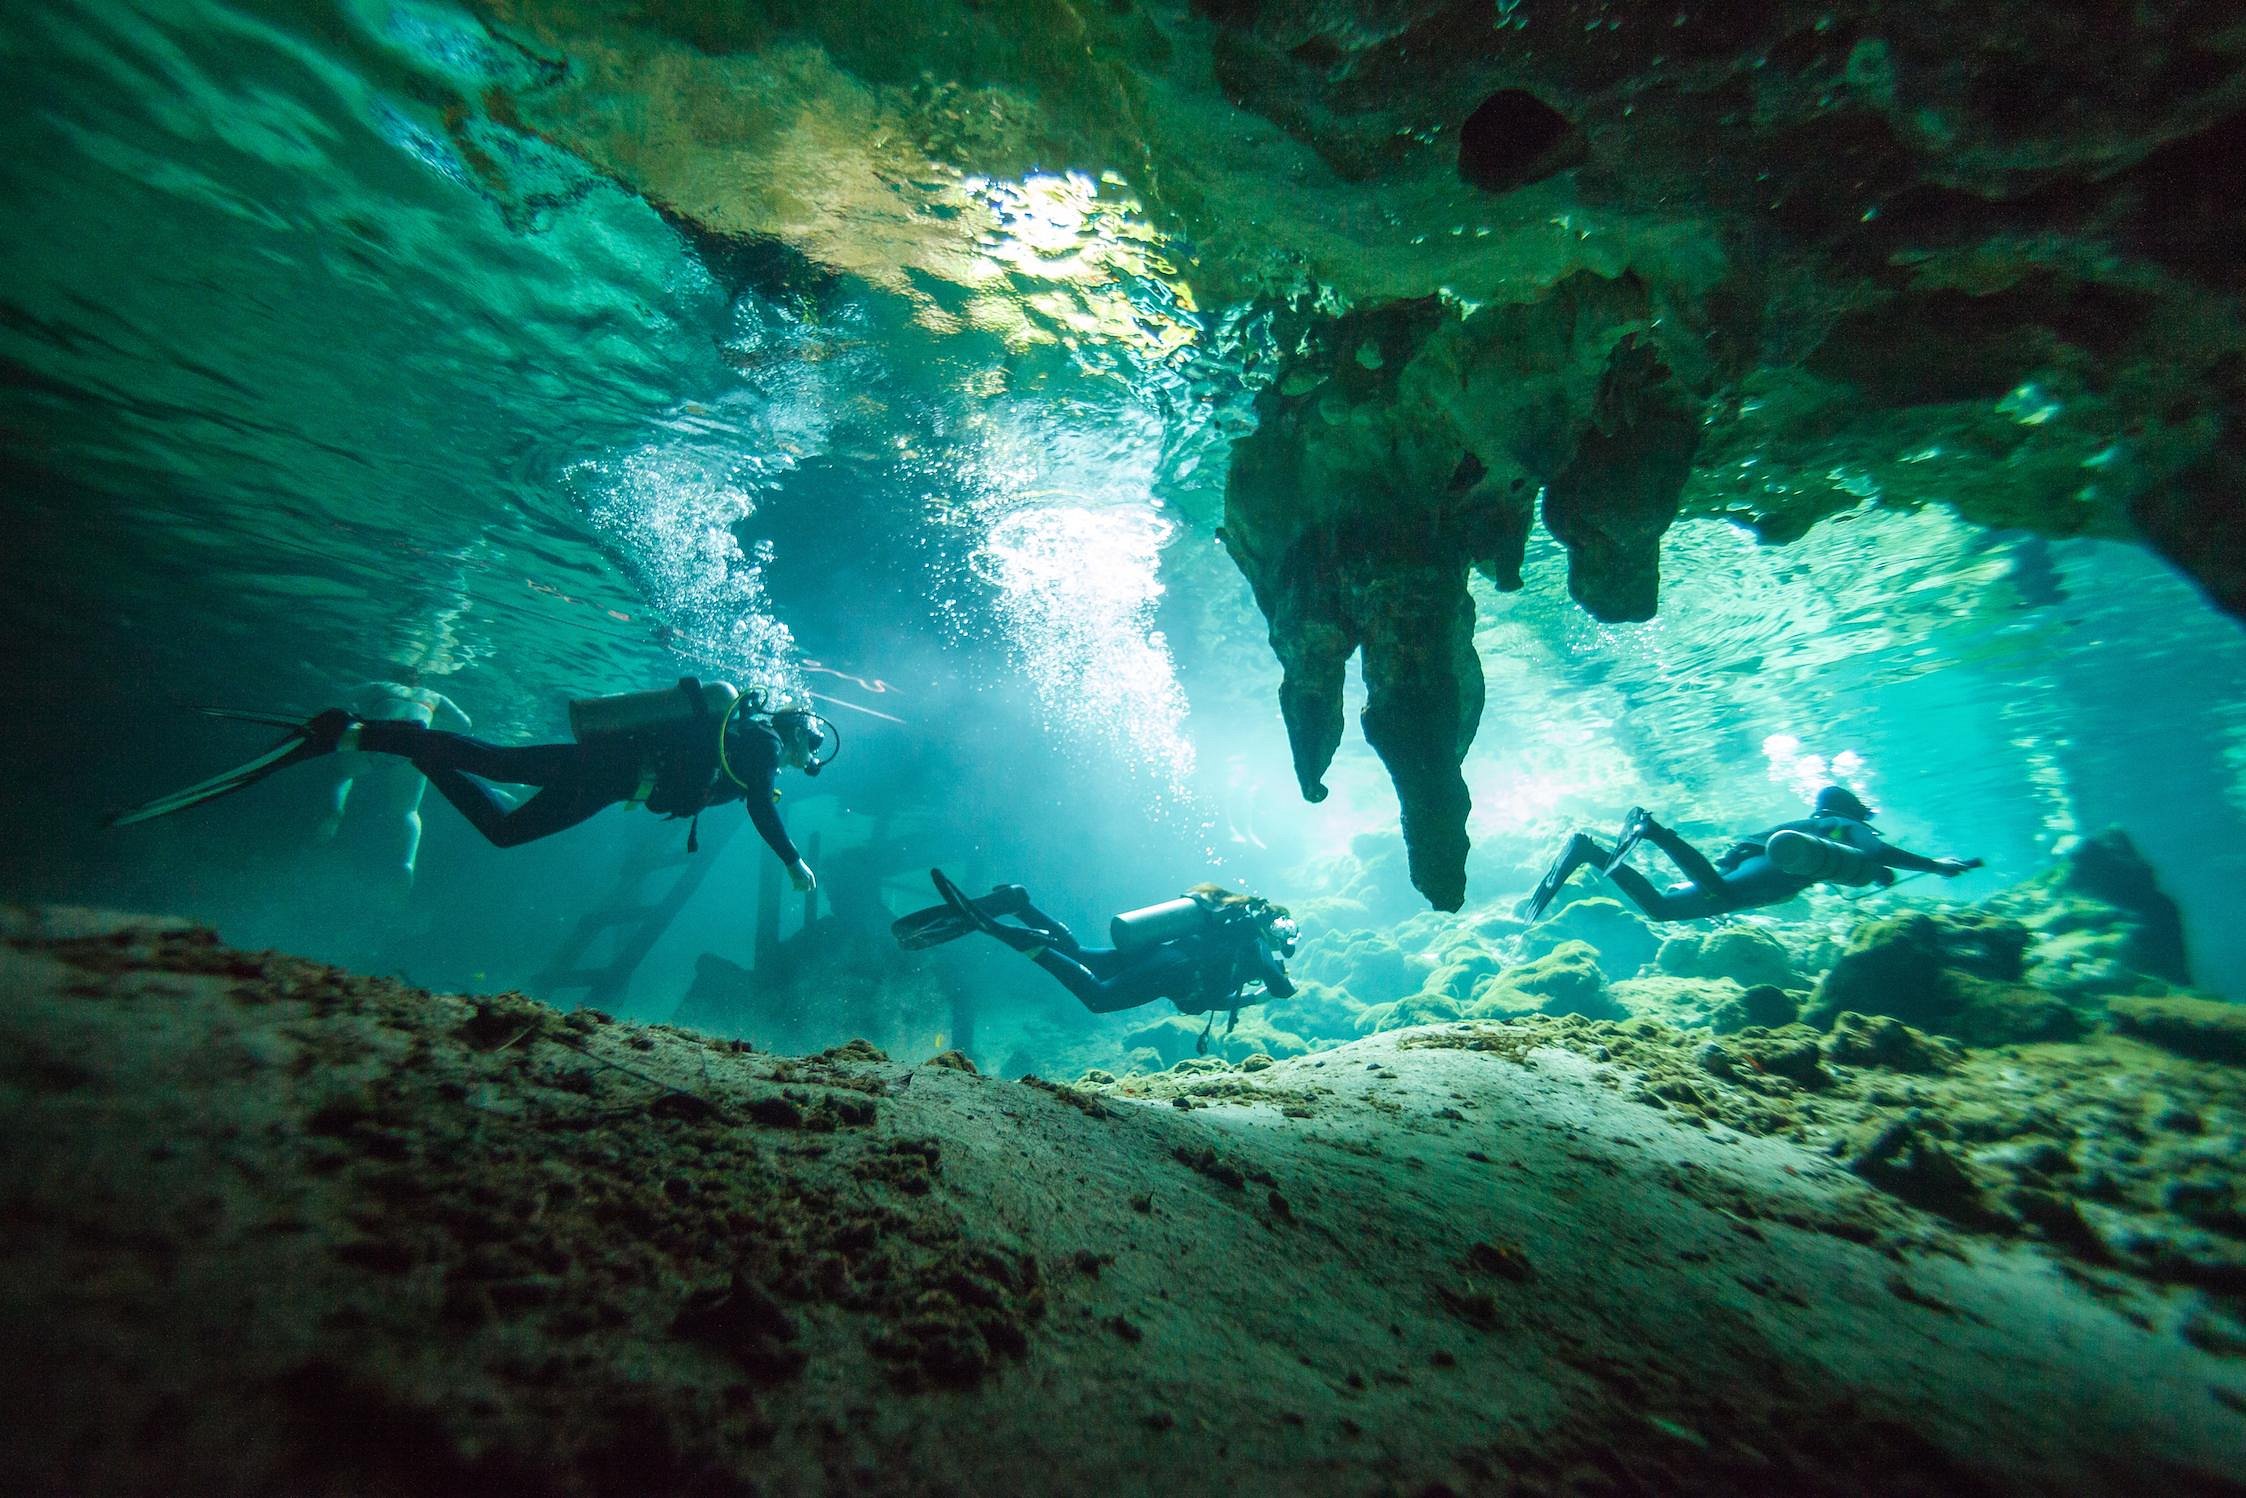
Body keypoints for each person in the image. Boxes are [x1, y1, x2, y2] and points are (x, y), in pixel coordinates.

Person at [111, 677, 834, 891]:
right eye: (814, 743)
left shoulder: (751, 746)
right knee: (496, 764)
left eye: (814, 754)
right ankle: (357, 732)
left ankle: (381, 741)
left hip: (615, 782)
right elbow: (767, 815)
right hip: (614, 772)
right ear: (798, 726)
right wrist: (794, 862)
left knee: (505, 826)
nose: (809, 757)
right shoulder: (764, 741)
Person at [1525, 784, 1979, 924]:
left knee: (1662, 910)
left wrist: (1875, 873)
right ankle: (1653, 829)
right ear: (1851, 811)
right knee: (1719, 894)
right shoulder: (1842, 825)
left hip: (1750, 856)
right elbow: (1876, 849)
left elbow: (1865, 862)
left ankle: (1587, 851)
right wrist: (1935, 864)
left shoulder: (1820, 826)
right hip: (1767, 868)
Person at [895, 870, 1299, 1019]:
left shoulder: (1234, 929)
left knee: (1082, 956)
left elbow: (1216, 999)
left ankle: (1020, 905)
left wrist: (1252, 999)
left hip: (1163, 953)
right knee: (1099, 998)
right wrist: (1277, 986)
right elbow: (1282, 988)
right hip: (1170, 970)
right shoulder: (1257, 948)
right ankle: (1005, 933)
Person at [315, 677, 471, 893]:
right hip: (413, 743)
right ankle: (406, 862)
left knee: (342, 774)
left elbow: (338, 698)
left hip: (375, 737)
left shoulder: (380, 686)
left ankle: (334, 811)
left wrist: (354, 714)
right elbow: (465, 723)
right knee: (407, 810)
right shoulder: (434, 696)